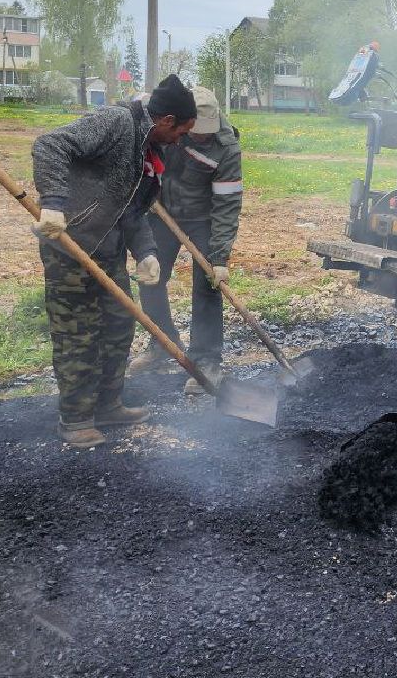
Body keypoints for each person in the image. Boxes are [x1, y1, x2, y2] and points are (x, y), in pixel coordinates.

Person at [31, 75, 197, 447]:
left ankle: (108, 404)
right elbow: (50, 145)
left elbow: (133, 209)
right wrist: (54, 204)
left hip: (109, 249)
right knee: (78, 334)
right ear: (167, 120)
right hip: (70, 244)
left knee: (119, 324)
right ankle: (75, 419)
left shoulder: (150, 149)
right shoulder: (117, 123)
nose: (180, 139)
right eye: (182, 130)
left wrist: (147, 251)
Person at [133, 86, 243, 394]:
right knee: (149, 276)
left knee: (208, 284)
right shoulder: (164, 120)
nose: (199, 136)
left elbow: (227, 204)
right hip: (161, 211)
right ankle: (162, 343)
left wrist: (219, 258)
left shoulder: (226, 148)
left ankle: (206, 361)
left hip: (203, 219)